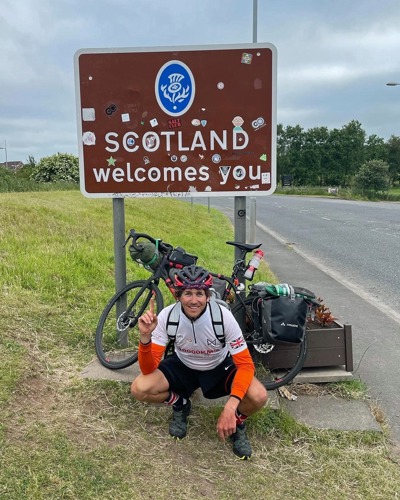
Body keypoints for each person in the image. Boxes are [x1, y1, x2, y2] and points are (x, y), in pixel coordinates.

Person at [131, 264, 268, 460]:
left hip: (218, 366)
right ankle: (180, 404)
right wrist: (145, 338)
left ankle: (236, 421)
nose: (194, 300)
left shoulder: (223, 318)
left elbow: (246, 365)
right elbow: (148, 368)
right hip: (183, 364)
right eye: (187, 293)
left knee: (259, 395)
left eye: (199, 294)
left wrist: (231, 406)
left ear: (208, 296)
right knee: (140, 388)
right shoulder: (168, 316)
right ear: (178, 296)